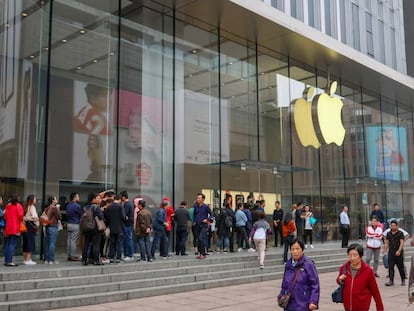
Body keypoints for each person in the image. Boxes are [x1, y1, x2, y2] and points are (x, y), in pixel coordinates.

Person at [337, 243, 384, 311]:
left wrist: (380, 308)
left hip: (362, 307)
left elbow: (375, 291)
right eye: (350, 255)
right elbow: (339, 281)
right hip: (347, 306)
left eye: (355, 255)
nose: (352, 258)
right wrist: (340, 279)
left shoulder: (368, 271)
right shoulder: (344, 268)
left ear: (361, 256)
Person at [278, 239, 319, 310]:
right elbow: (284, 283)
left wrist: (313, 301)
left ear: (302, 250)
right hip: (289, 303)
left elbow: (314, 284)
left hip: (302, 304)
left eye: (297, 249)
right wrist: (281, 295)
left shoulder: (308, 264)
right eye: (292, 249)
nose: (295, 251)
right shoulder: (288, 264)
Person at [81, 192, 104, 266]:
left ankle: (84, 260)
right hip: (94, 228)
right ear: (93, 199)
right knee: (96, 244)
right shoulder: (96, 207)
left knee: (86, 244)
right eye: (97, 198)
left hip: (86, 228)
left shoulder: (84, 207)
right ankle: (96, 260)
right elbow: (101, 217)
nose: (99, 200)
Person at [4, 194, 24, 267]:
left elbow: (5, 215)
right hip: (15, 227)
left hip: (8, 227)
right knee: (12, 244)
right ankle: (9, 261)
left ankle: (7, 260)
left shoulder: (8, 206)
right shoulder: (18, 206)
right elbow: (20, 216)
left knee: (8, 244)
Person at [384, 220, 406, 286]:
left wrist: (399, 250)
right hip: (391, 252)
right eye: (391, 225)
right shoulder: (388, 233)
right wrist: (385, 250)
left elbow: (402, 242)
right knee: (391, 267)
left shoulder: (400, 233)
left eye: (394, 225)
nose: (393, 227)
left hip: (398, 252)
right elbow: (387, 242)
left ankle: (403, 280)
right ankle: (391, 280)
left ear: (397, 226)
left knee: (400, 267)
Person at [43, 196, 62, 264]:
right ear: (53, 200)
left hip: (47, 226)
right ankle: (51, 259)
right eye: (55, 198)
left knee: (47, 243)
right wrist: (58, 208)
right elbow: (59, 217)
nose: (56, 200)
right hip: (53, 226)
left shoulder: (47, 207)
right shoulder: (54, 207)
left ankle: (46, 259)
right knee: (52, 243)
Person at [22, 194, 39, 265]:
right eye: (35, 199)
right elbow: (35, 216)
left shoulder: (25, 206)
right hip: (30, 226)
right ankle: (28, 260)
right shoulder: (32, 207)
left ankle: (25, 259)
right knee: (30, 242)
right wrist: (36, 220)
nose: (36, 200)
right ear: (32, 200)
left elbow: (23, 217)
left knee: (25, 242)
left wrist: (25, 218)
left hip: (25, 226)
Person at [193, 193, 211, 259]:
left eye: (199, 198)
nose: (198, 199)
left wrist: (207, 219)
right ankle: (201, 254)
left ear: (203, 199)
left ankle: (203, 254)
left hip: (204, 225)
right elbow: (195, 214)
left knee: (201, 238)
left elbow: (212, 215)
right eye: (197, 198)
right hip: (197, 225)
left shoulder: (206, 207)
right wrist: (194, 221)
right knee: (198, 239)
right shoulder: (195, 206)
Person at [66, 192, 82, 261]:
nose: (79, 198)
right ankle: (73, 255)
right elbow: (81, 214)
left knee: (69, 240)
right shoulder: (77, 206)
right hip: (75, 224)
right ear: (75, 197)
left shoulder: (68, 205)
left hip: (69, 223)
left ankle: (69, 255)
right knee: (73, 241)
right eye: (78, 196)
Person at [120, 190, 134, 261]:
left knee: (128, 239)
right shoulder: (129, 204)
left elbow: (124, 215)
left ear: (124, 197)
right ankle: (127, 254)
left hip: (127, 224)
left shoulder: (127, 204)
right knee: (127, 239)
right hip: (128, 224)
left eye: (121, 197)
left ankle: (130, 255)